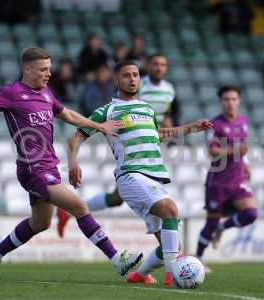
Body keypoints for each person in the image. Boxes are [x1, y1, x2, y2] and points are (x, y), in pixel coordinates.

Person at [0, 48, 142, 282]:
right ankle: (117, 259)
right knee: (79, 206)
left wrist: (100, 126)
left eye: (49, 68)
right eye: (43, 69)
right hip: (32, 170)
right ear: (27, 69)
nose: (49, 73)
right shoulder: (11, 93)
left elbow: (69, 115)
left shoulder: (46, 93)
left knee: (40, 223)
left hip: (50, 167)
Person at [65, 60, 211, 286]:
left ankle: (139, 275)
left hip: (154, 176)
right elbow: (76, 138)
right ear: (117, 79)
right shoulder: (108, 110)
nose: (132, 78)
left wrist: (191, 127)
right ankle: (174, 274)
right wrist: (73, 163)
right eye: (126, 75)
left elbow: (159, 133)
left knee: (170, 246)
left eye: (135, 74)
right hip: (130, 175)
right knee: (170, 209)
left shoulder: (146, 108)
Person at [57, 54, 178, 235]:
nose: (159, 68)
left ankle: (70, 210)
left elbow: (162, 115)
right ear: (149, 67)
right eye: (155, 64)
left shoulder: (169, 90)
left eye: (163, 64)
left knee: (116, 199)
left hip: (147, 145)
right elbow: (124, 107)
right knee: (161, 211)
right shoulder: (139, 86)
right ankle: (174, 255)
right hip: (131, 151)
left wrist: (169, 126)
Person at [195, 85, 257, 270]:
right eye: (226, 99)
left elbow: (243, 147)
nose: (230, 103)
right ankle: (198, 258)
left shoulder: (243, 122)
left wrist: (245, 162)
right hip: (218, 181)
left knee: (251, 213)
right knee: (211, 221)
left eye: (233, 99)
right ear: (221, 102)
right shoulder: (215, 124)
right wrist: (236, 151)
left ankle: (223, 228)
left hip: (237, 177)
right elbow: (212, 151)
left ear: (239, 101)